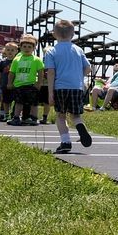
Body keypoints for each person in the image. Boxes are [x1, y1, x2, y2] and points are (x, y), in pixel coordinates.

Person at [43, 19, 93, 154]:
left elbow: (51, 72)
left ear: (54, 34)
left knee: (60, 115)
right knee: (75, 115)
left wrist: (50, 93)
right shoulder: (78, 50)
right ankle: (79, 125)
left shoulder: (51, 51)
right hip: (76, 87)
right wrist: (78, 76)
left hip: (60, 87)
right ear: (73, 34)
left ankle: (65, 141)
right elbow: (88, 68)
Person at [7, 36, 44, 126]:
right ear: (20, 47)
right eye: (24, 46)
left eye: (29, 47)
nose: (27, 49)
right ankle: (16, 118)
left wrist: (39, 83)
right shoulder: (16, 60)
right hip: (19, 85)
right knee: (19, 102)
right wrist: (9, 83)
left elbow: (40, 72)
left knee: (34, 103)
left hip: (31, 85)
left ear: (34, 48)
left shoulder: (37, 60)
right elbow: (12, 73)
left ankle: (33, 118)